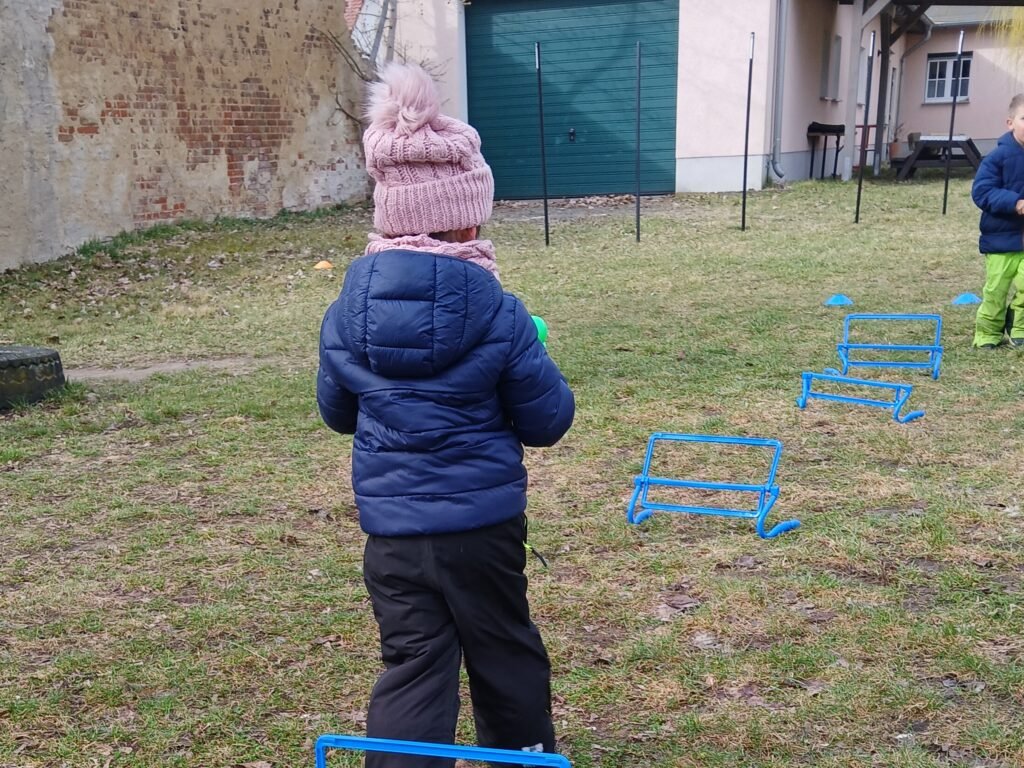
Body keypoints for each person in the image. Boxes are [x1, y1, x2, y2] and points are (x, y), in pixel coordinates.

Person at [316, 63, 575, 767]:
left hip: (393, 533)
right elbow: (547, 421)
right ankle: (523, 757)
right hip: (482, 528)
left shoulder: (344, 313)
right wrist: (535, 355)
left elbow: (337, 412)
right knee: (503, 647)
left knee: (413, 659)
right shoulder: (500, 312)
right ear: (466, 216)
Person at [971, 93, 1024, 349]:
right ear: (1010, 123)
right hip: (1002, 239)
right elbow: (982, 192)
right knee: (996, 290)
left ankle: (1019, 327)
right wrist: (1015, 203)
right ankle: (988, 333)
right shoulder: (997, 158)